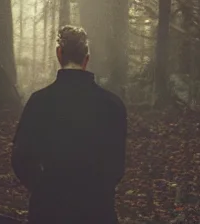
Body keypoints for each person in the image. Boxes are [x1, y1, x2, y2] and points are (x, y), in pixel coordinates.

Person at [11, 26, 127, 224]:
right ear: (86, 59)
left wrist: (44, 188)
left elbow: (20, 159)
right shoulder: (112, 104)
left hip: (49, 210)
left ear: (59, 54)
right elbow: (117, 166)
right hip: (98, 211)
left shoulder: (39, 101)